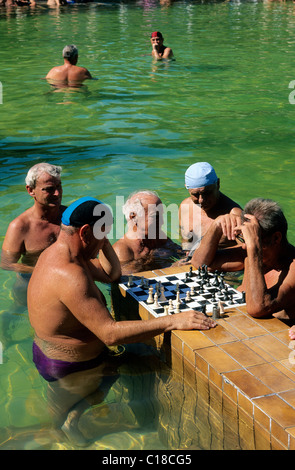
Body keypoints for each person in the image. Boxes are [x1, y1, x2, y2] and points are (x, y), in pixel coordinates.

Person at [28, 196, 216, 444]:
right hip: (71, 366)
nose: (107, 239)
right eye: (102, 232)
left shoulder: (63, 254)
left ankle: (73, 418)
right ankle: (59, 431)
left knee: (123, 365)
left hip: (61, 358)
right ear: (85, 232)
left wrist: (100, 241)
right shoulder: (69, 274)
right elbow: (110, 333)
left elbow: (111, 274)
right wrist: (173, 320)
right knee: (56, 430)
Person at [191, 197, 295, 321]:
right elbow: (201, 264)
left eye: (252, 240)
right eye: (243, 240)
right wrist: (217, 225)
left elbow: (258, 308)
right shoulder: (251, 252)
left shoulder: (291, 267)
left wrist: (254, 248)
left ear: (276, 238)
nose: (244, 246)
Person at [1, 162, 65, 304]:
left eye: (59, 186)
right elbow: (5, 263)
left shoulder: (69, 216)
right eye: (49, 189)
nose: (57, 193)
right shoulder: (20, 227)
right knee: (18, 316)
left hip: (65, 281)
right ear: (31, 191)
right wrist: (41, 270)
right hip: (30, 284)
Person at [179, 162, 242, 257]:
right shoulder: (185, 207)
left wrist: (207, 255)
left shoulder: (234, 214)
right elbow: (185, 245)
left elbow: (247, 248)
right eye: (195, 195)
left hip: (222, 267)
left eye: (207, 192)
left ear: (218, 184)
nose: (201, 200)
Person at [113, 190, 184, 274]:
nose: (162, 222)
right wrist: (172, 269)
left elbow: (181, 252)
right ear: (133, 217)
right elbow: (129, 282)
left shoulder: (158, 237)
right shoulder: (122, 250)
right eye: (155, 216)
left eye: (161, 216)